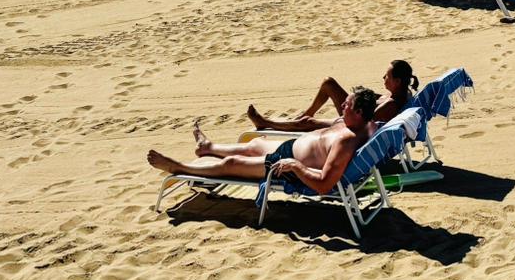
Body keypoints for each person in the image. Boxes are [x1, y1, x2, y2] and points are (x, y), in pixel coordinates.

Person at [147, 88, 379, 194]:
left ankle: (179, 168)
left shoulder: (346, 142)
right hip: (291, 150)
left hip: (286, 167)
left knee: (231, 164)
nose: (342, 106)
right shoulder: (364, 124)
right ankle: (207, 148)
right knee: (255, 145)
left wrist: (295, 165)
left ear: (359, 112)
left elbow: (324, 185)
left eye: (347, 105)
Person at [244, 59, 417, 133]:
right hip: (355, 112)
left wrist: (352, 105)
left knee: (308, 124)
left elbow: (363, 123)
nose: (383, 78)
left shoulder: (392, 104)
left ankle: (265, 123)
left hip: (352, 124)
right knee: (329, 83)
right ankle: (307, 113)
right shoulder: (401, 92)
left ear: (398, 81)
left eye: (387, 76)